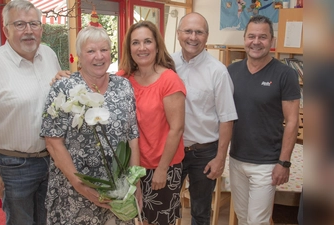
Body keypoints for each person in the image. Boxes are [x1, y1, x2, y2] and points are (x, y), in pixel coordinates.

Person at [0, 1, 61, 224]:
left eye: (33, 24)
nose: (28, 31)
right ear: (6, 30)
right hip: (14, 166)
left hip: (53, 160)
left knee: (49, 219)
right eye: (19, 24)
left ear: (41, 28)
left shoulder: (49, 55)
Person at [40, 26, 141, 225]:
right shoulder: (64, 88)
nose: (98, 56)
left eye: (104, 50)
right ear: (79, 56)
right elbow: (53, 142)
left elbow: (132, 137)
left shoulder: (123, 86)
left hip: (117, 191)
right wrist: (81, 186)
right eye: (91, 51)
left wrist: (135, 183)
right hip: (74, 192)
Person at [227, 15, 300, 225]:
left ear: (272, 41)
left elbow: (292, 122)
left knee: (257, 221)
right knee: (242, 217)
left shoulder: (285, 74)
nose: (256, 42)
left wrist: (283, 162)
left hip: (267, 164)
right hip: (236, 159)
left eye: (263, 37)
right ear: (244, 39)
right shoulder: (231, 72)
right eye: (251, 36)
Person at [171, 13, 238, 225]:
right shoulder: (166, 64)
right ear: (178, 33)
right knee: (165, 207)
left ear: (206, 36)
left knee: (201, 213)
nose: (193, 37)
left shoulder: (218, 72)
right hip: (172, 150)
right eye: (188, 31)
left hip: (204, 152)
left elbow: (227, 118)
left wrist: (220, 158)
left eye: (199, 32)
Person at [118, 20, 186, 225]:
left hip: (162, 166)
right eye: (135, 42)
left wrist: (162, 169)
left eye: (147, 41)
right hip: (132, 166)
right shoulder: (122, 78)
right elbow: (93, 85)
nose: (142, 48)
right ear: (129, 48)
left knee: (159, 221)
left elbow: (177, 128)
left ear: (157, 46)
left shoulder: (169, 80)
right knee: (136, 219)